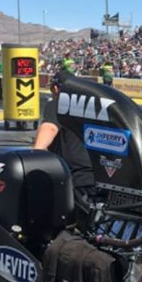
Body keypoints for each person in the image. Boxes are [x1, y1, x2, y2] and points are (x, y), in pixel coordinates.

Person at [32, 73, 96, 215]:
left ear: (55, 88)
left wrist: (34, 155)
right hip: (96, 173)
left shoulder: (59, 102)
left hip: (71, 175)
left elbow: (50, 127)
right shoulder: (92, 105)